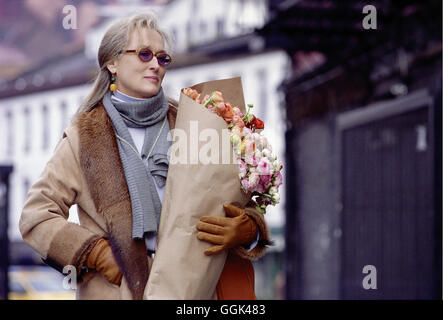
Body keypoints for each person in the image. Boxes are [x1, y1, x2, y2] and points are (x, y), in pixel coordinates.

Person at [19, 12, 271, 300]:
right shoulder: (83, 137)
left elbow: (239, 202)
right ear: (112, 62)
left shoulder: (194, 123)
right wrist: (97, 253)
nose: (155, 65)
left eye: (163, 59)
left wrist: (247, 230)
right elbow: (36, 215)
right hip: (116, 291)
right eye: (144, 54)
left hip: (193, 291)